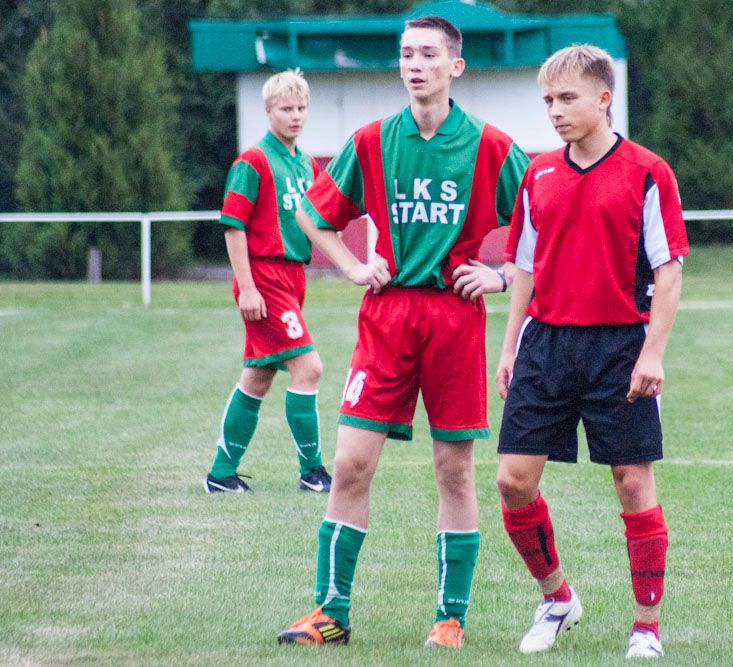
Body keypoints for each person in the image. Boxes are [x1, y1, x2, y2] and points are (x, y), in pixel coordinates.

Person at [276, 16, 529, 649]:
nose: (415, 64)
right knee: (350, 465)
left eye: (428, 55)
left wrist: (498, 279)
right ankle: (329, 613)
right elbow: (313, 216)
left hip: (454, 320)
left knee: (453, 471)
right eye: (406, 54)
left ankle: (451, 619)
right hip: (386, 319)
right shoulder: (372, 140)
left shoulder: (491, 146)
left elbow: (543, 225)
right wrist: (355, 264)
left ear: (456, 67)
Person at [494, 45, 688, 659]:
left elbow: (669, 268)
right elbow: (522, 268)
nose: (555, 111)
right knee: (512, 481)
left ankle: (647, 627)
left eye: (567, 98)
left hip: (619, 346)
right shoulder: (538, 173)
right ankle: (557, 599)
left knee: (633, 484)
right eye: (548, 100)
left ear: (604, 99)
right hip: (545, 346)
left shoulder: (648, 170)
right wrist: (507, 350)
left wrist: (652, 354)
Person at [204, 69, 331, 494]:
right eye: (286, 109)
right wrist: (249, 287)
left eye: (301, 108)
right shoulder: (253, 161)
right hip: (264, 277)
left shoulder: (306, 163)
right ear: (268, 111)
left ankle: (221, 474)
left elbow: (322, 220)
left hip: (292, 277)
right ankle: (313, 471)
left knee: (258, 376)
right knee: (308, 367)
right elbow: (233, 226)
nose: (295, 116)